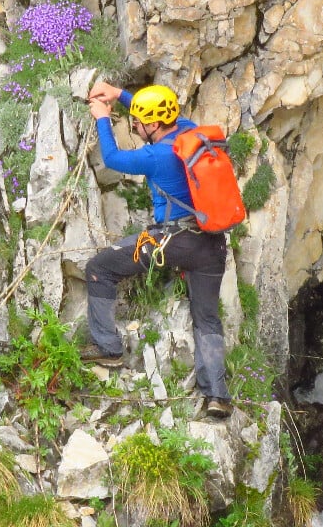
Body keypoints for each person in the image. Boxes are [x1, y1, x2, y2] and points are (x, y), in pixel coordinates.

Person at [82, 82, 232, 419]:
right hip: (211, 242)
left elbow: (113, 158)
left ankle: (108, 347)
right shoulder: (189, 132)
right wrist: (119, 94)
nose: (134, 124)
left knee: (99, 267)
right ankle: (217, 396)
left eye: (137, 121)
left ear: (151, 124)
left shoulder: (156, 156)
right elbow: (153, 110)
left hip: (174, 242)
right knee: (206, 317)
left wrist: (103, 118)